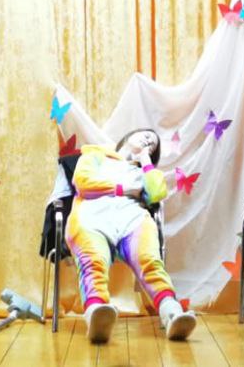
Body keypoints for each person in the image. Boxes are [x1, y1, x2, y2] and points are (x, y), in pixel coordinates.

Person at [66, 129, 197, 344]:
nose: (148, 140)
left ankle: (172, 314)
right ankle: (96, 314)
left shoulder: (143, 172)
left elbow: (156, 194)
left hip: (132, 219)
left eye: (152, 144)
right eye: (145, 135)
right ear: (128, 136)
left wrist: (146, 161)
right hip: (92, 216)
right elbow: (83, 183)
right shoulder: (95, 155)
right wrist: (123, 189)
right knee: (93, 262)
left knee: (150, 262)